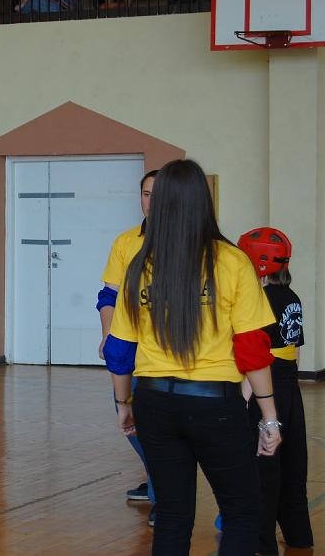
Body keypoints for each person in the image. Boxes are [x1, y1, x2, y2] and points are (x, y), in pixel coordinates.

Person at [103, 159, 282, 555]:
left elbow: (119, 349)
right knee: (241, 514)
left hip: (153, 402)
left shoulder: (139, 265)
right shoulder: (232, 261)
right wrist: (269, 417)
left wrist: (123, 403)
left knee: (171, 516)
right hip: (214, 405)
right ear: (204, 201)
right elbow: (252, 349)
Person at [238, 227, 314, 555]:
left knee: (264, 469)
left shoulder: (259, 300)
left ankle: (262, 543)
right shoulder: (292, 298)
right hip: (290, 388)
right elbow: (294, 351)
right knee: (294, 465)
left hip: (264, 389)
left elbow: (256, 358)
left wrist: (242, 402)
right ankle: (299, 536)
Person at [97, 169, 158, 523]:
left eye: (157, 195)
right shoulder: (125, 242)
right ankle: (158, 479)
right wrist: (108, 334)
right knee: (129, 418)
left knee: (158, 423)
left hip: (165, 353)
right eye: (146, 194)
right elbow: (108, 296)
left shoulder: (185, 243)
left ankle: (164, 492)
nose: (151, 201)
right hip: (129, 346)